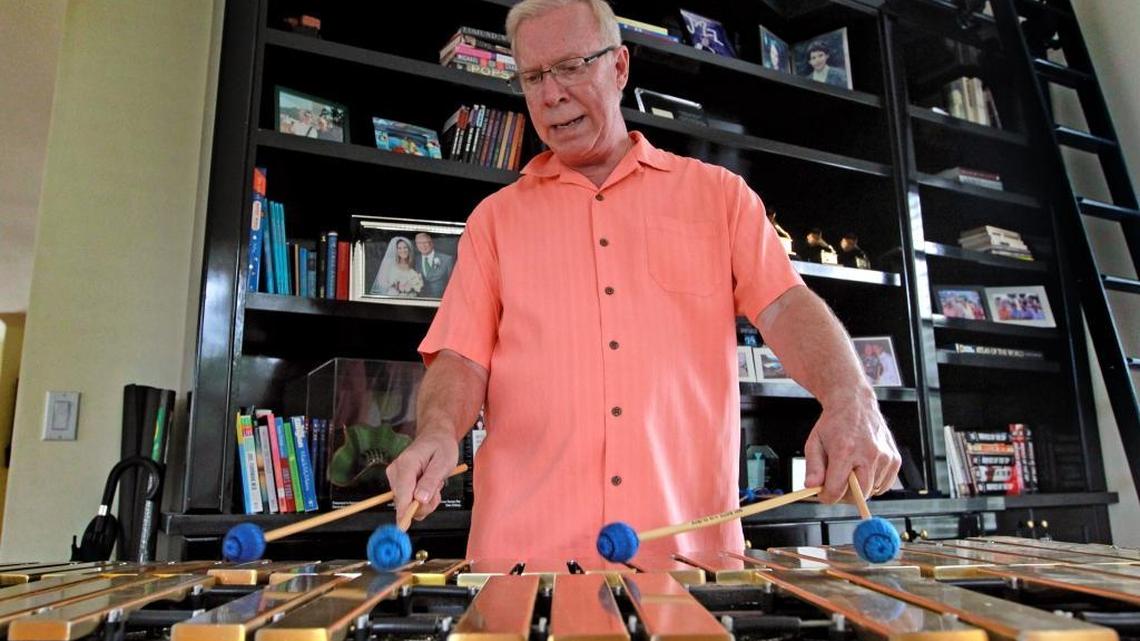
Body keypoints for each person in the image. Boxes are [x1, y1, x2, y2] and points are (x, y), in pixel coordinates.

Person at [386, 0, 900, 561]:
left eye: (573, 65)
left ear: (620, 67)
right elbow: (461, 357)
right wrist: (437, 431)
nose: (552, 93)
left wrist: (851, 395)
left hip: (685, 561)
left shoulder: (720, 196)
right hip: (523, 560)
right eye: (533, 76)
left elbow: (786, 305)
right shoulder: (493, 220)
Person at [412, 233, 455, 298]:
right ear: (416, 245)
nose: (423, 246)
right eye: (419, 243)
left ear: (432, 243)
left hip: (440, 301)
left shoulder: (446, 259)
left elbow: (453, 283)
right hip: (421, 301)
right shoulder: (414, 260)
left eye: (425, 242)